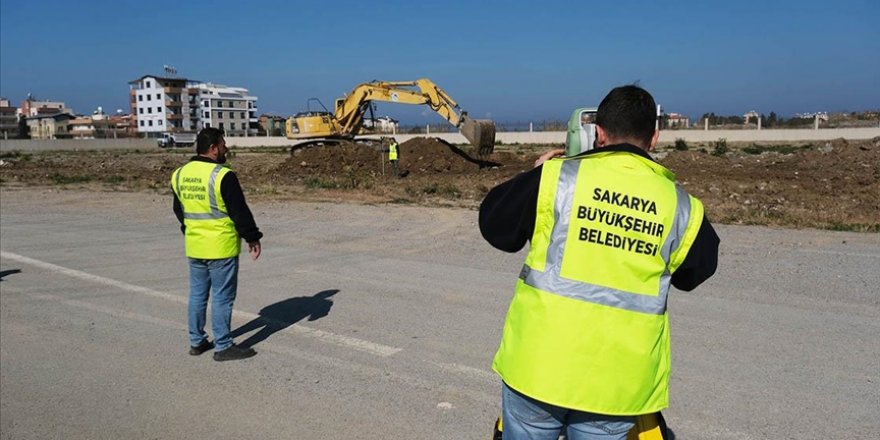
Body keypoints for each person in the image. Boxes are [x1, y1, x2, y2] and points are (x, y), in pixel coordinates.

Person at [479, 85, 719, 440]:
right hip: (616, 386)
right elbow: (696, 271)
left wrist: (535, 176)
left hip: (538, 369)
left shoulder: (557, 178)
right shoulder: (680, 206)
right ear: (654, 137)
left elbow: (495, 226)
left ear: (599, 133)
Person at [171, 127, 263, 362]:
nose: (226, 148)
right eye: (223, 144)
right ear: (213, 149)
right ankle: (223, 345)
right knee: (222, 297)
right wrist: (252, 237)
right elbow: (239, 211)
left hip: (195, 246)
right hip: (221, 247)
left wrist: (189, 228)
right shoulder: (222, 175)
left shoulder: (179, 174)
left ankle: (196, 341)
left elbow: (178, 209)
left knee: (197, 295)